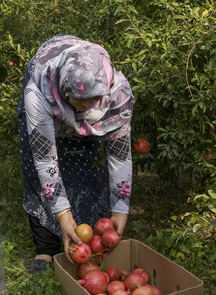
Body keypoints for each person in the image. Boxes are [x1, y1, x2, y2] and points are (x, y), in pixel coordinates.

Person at [17, 34, 135, 273]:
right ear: (64, 89)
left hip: (84, 82)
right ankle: (46, 248)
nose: (85, 106)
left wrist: (120, 209)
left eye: (93, 100)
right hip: (49, 93)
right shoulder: (38, 91)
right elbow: (45, 161)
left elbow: (119, 156)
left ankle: (84, 230)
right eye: (79, 100)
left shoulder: (116, 94)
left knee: (82, 162)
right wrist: (62, 215)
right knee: (37, 170)